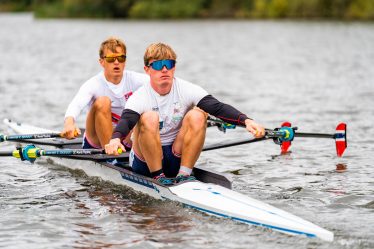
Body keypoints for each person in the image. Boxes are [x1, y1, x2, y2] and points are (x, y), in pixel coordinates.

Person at [105, 42, 265, 185]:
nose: (165, 69)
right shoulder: (139, 97)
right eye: (158, 65)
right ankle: (158, 176)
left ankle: (184, 174)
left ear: (174, 67)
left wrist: (247, 121)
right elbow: (126, 120)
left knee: (198, 114)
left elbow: (217, 107)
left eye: (169, 64)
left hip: (176, 155)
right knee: (149, 117)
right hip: (144, 162)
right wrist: (115, 139)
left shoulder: (187, 89)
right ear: (147, 70)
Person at [62, 37, 149, 150]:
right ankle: (110, 154)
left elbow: (163, 83)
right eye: (111, 59)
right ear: (102, 62)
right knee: (103, 101)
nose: (116, 62)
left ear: (125, 61)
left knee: (148, 104)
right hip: (96, 139)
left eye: (121, 58)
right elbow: (77, 104)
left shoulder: (137, 80)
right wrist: (69, 123)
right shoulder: (94, 84)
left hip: (125, 137)